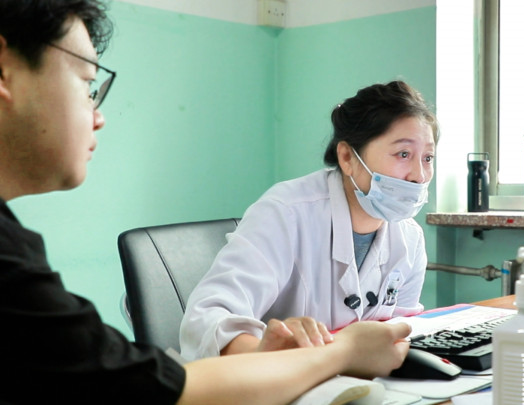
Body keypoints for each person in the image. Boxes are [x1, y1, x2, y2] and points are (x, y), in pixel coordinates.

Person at [0, 1, 411, 403]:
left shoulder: (405, 231)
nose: (98, 116)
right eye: (86, 85)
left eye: (428, 157)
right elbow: (154, 388)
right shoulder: (288, 208)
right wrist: (341, 351)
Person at [180, 80, 438, 359]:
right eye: (403, 154)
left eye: (427, 158)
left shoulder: (410, 238)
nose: (419, 175)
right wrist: (267, 353)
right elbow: (206, 319)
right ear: (347, 157)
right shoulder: (285, 213)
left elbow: (401, 331)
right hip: (276, 378)